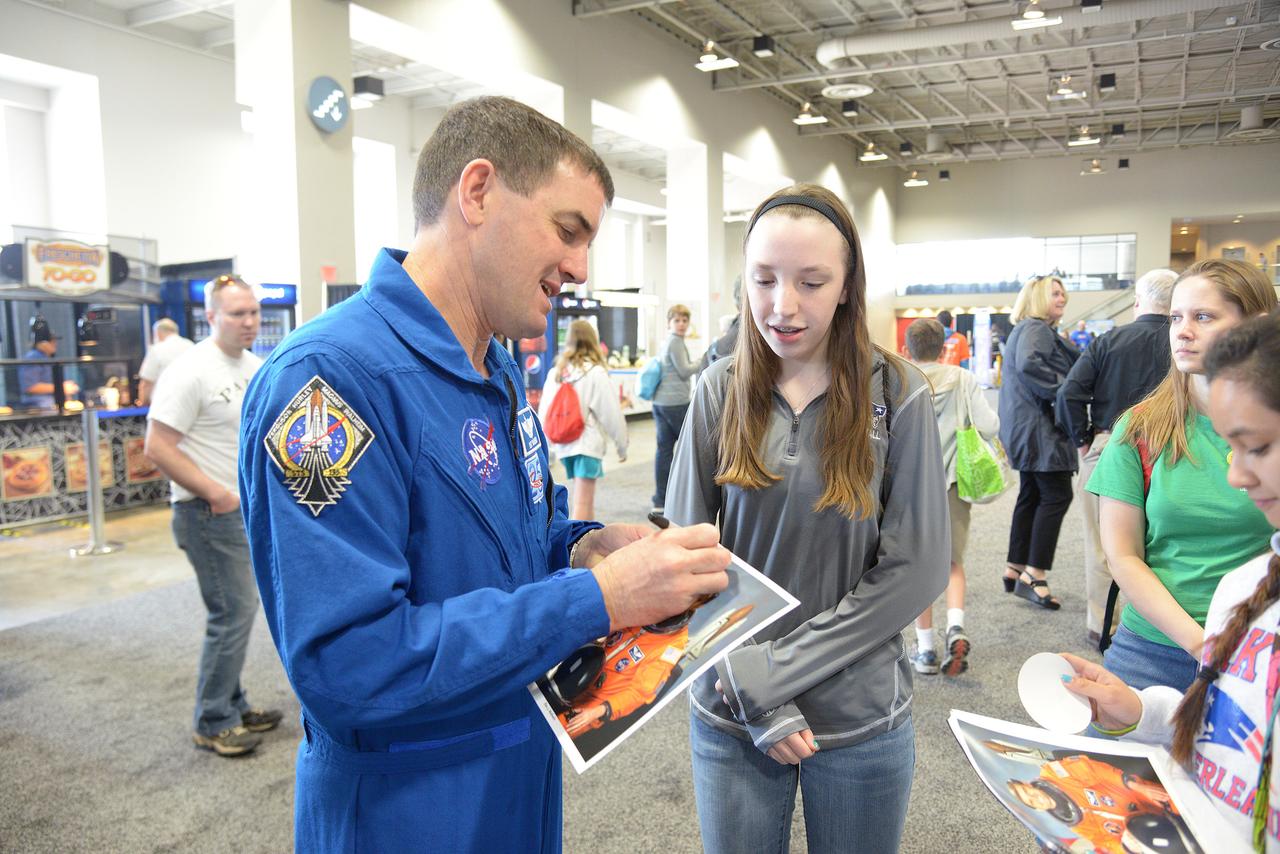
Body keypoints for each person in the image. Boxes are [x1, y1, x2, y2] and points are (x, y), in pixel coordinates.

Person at [237, 96, 729, 853]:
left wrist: (584, 549)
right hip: (408, 806)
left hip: (515, 772)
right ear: (477, 192)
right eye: (568, 231)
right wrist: (594, 600)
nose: (579, 267)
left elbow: (507, 538)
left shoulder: (496, 366)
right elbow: (350, 663)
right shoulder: (330, 383)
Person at [666, 184, 949, 854]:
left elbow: (916, 567)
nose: (782, 305)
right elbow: (683, 561)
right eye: (763, 279)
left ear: (848, 286)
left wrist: (777, 671)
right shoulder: (718, 390)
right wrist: (754, 690)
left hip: (858, 720)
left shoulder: (898, 394)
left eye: (811, 282)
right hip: (732, 710)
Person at [1063, 311, 1280, 852]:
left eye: (1256, 447)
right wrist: (1138, 711)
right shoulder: (1247, 591)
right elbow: (1227, 735)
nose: (1235, 475)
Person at [1085, 260, 1275, 692]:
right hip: (1153, 648)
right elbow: (1124, 557)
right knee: (1109, 758)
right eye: (1176, 317)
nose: (1182, 331)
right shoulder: (1138, 430)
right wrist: (1202, 645)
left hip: (1262, 645)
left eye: (1203, 317)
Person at [143, 274, 283, 757]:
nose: (249, 322)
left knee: (241, 612)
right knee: (233, 612)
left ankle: (234, 702)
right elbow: (157, 446)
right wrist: (218, 494)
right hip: (207, 513)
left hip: (244, 511)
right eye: (237, 314)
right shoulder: (189, 371)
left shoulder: (253, 365)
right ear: (211, 316)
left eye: (253, 313)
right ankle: (212, 718)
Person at [1056, 268, 1177, 645]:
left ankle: (1102, 627)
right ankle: (1164, 623)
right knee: (1167, 541)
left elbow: (1069, 395)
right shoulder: (1184, 340)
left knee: (1104, 544)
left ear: (1137, 302)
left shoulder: (1108, 341)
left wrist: (1083, 440)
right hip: (1175, 446)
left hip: (1110, 447)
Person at [904, 318, 999, 676]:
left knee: (918, 568)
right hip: (953, 486)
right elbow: (990, 427)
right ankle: (955, 626)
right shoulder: (963, 379)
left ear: (907, 349)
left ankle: (925, 650)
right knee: (952, 562)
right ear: (944, 347)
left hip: (910, 489)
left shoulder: (900, 379)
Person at [999, 275, 1079, 610]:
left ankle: (1016, 566)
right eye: (1055, 293)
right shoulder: (1035, 330)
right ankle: (1035, 573)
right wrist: (1067, 393)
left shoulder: (1029, 330)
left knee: (1032, 494)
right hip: (1040, 430)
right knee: (1056, 494)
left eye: (1063, 293)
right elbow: (1033, 365)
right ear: (1037, 298)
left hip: (1028, 428)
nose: (1062, 298)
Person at [538, 319, 627, 519]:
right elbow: (611, 413)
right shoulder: (595, 373)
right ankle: (579, 546)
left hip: (563, 443)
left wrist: (547, 450)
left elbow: (544, 411)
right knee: (583, 503)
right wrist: (622, 445)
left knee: (580, 499)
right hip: (587, 444)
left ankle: (584, 539)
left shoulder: (556, 372)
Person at [1006, 754, 1176, 854]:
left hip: (1140, 793)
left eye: (1029, 792)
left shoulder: (1053, 772)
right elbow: (1106, 842)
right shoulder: (1076, 826)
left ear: (1028, 784)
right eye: (1030, 801)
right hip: (1147, 828)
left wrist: (1135, 786)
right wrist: (1126, 846)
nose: (1035, 798)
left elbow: (1096, 771)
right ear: (1035, 809)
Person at [650, 302, 695, 513]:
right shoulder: (676, 342)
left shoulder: (666, 341)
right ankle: (684, 499)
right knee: (689, 450)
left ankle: (660, 499)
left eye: (685, 320)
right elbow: (685, 371)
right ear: (669, 322)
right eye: (677, 320)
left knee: (664, 451)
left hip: (660, 402)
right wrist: (705, 360)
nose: (681, 324)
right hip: (676, 402)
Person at [18, 316, 78, 409]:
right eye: (51, 341)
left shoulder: (52, 358)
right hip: (38, 404)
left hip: (54, 402)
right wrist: (61, 388)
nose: (55, 344)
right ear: (41, 343)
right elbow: (30, 387)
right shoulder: (33, 357)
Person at [137, 317, 194, 406]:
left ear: (158, 333)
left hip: (165, 406)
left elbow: (146, 383)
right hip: (191, 402)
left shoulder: (157, 349)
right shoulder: (191, 346)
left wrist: (143, 404)